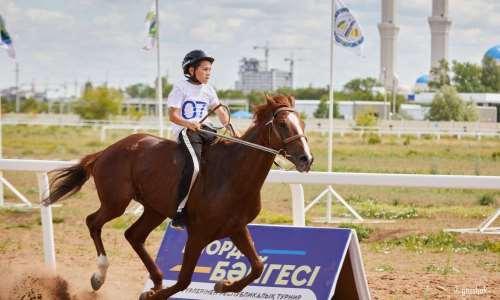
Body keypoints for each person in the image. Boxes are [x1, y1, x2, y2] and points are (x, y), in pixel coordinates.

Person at [167, 49, 235, 229]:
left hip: (204, 130)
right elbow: (172, 116)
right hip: (185, 132)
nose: (208, 73)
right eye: (204, 69)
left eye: (210, 70)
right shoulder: (180, 87)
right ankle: (179, 211)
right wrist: (188, 124)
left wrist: (229, 126)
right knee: (195, 167)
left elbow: (220, 110)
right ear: (191, 70)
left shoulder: (209, 89)